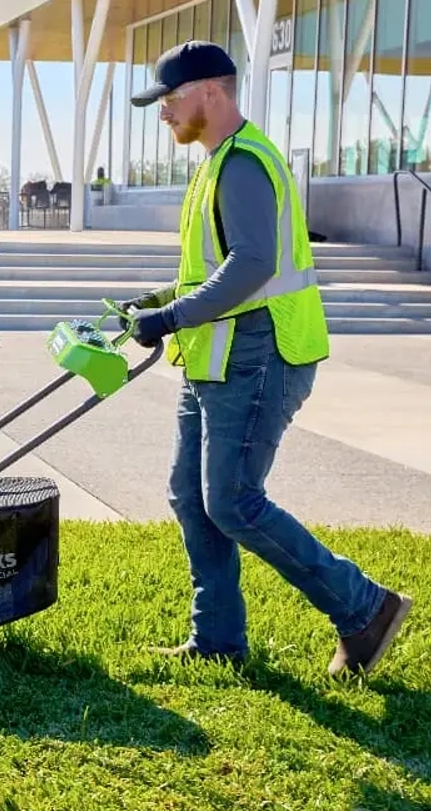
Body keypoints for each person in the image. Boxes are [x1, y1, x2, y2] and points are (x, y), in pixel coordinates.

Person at [121, 40, 412, 677]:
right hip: (217, 355)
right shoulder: (216, 162)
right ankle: (217, 639)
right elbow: (213, 267)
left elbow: (253, 265)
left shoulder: (244, 164)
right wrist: (159, 300)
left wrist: (171, 318)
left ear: (211, 92)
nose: (163, 112)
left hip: (260, 352)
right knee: (191, 496)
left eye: (170, 99)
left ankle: (366, 608)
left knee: (232, 501)